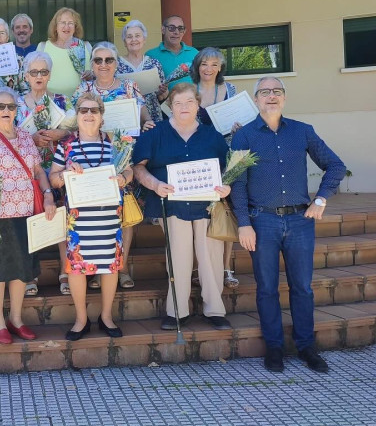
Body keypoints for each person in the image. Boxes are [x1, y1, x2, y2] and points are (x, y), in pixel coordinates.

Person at [230, 77, 346, 373]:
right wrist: (244, 224)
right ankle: (274, 347)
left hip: (299, 220)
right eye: (265, 92)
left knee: (302, 288)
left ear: (284, 98)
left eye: (277, 91)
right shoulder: (243, 137)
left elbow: (335, 165)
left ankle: (306, 346)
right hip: (262, 221)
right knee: (266, 288)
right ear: (256, 99)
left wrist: (320, 199)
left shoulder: (302, 131)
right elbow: (237, 184)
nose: (271, 96)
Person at [132, 82, 232, 331]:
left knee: (210, 256)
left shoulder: (213, 136)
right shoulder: (156, 134)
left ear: (198, 105)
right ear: (170, 107)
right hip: (172, 204)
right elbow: (138, 167)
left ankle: (215, 310)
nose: (184, 107)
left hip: (207, 206)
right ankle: (177, 311)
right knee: (178, 257)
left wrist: (226, 186)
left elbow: (228, 169)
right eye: (178, 103)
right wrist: (154, 184)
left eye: (189, 102)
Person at [0, 87, 56, 344]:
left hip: (27, 213)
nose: (7, 111)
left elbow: (38, 171)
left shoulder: (27, 137)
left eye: (11, 107)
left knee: (21, 268)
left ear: (17, 110)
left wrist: (48, 193)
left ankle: (16, 319)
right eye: (1, 107)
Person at [48, 93, 132, 340]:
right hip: (79, 219)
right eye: (83, 110)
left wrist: (123, 178)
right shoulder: (66, 146)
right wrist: (64, 174)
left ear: (102, 115)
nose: (88, 115)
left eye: (94, 110)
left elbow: (129, 168)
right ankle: (81, 320)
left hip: (108, 217)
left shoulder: (114, 142)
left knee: (110, 267)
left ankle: (106, 316)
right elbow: (52, 177)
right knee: (77, 268)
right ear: (77, 115)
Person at [73, 41, 153, 289]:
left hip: (121, 158)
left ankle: (121, 267)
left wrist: (148, 123)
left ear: (117, 64)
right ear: (92, 64)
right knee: (98, 214)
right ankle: (98, 268)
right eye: (98, 60)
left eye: (109, 60)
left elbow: (143, 113)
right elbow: (72, 119)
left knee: (123, 216)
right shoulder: (83, 88)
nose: (104, 65)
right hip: (92, 158)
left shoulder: (129, 87)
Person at [16, 50, 74, 295]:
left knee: (61, 215)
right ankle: (30, 273)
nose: (39, 76)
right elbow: (8, 136)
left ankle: (65, 271)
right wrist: (31, 138)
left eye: (44, 72)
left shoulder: (61, 100)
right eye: (34, 72)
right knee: (30, 217)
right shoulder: (16, 102)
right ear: (26, 76)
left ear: (49, 75)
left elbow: (78, 129)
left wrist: (60, 134)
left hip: (57, 166)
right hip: (27, 168)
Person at [191, 47, 240, 290]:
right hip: (199, 156)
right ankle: (199, 268)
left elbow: (245, 119)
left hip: (225, 155)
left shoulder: (230, 90)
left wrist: (239, 128)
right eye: (204, 64)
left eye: (213, 64)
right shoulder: (190, 90)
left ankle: (225, 268)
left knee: (226, 211)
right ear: (197, 66)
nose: (208, 69)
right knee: (201, 213)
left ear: (220, 67)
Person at [116, 20, 167, 122]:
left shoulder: (154, 63)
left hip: (153, 117)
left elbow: (163, 97)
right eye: (129, 37)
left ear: (144, 40)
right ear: (125, 42)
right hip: (127, 118)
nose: (134, 39)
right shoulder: (116, 64)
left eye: (137, 36)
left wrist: (163, 91)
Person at [37, 7, 92, 97]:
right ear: (55, 27)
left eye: (70, 23)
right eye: (63, 23)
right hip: (51, 99)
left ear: (75, 27)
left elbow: (94, 74)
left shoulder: (85, 46)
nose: (66, 27)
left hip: (80, 100)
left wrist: (90, 74)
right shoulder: (43, 47)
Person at [146, 15, 198, 87]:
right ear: (163, 30)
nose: (176, 32)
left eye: (180, 28)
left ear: (184, 31)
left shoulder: (194, 53)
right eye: (171, 28)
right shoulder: (150, 56)